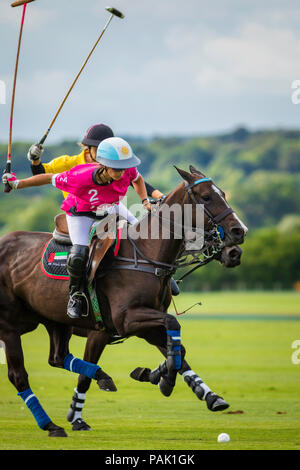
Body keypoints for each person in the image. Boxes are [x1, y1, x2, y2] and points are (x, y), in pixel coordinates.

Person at [3, 137, 153, 319]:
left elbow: (138, 180)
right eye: (117, 168)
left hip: (110, 206)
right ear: (103, 164)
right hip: (81, 213)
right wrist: (17, 184)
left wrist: (144, 200)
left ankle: (158, 277)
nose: (122, 173)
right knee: (79, 254)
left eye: (124, 167)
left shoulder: (127, 170)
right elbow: (49, 177)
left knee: (141, 234)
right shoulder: (79, 177)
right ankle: (75, 295)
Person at [27, 123, 165, 200]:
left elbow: (133, 179)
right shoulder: (67, 163)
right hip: (78, 214)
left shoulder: (113, 162)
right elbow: (39, 174)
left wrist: (160, 196)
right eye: (99, 148)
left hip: (107, 212)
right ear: (87, 147)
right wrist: (35, 159)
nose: (103, 152)